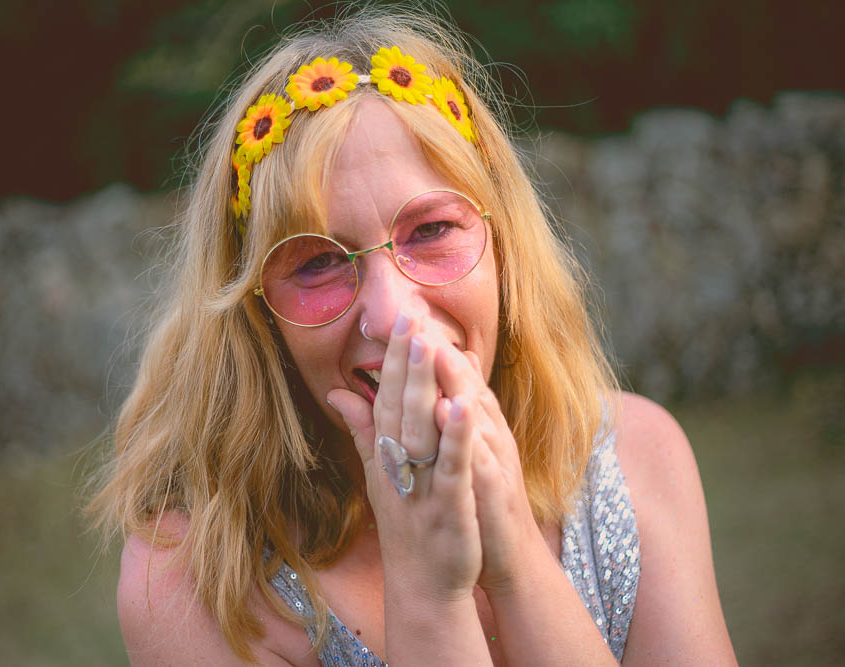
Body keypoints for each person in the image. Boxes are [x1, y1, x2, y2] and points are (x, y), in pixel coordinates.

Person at [90, 6, 736, 665]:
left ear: (502, 242)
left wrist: (511, 556)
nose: (394, 315)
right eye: (316, 262)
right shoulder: (190, 583)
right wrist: (429, 588)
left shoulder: (638, 458)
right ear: (258, 314)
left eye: (430, 231)